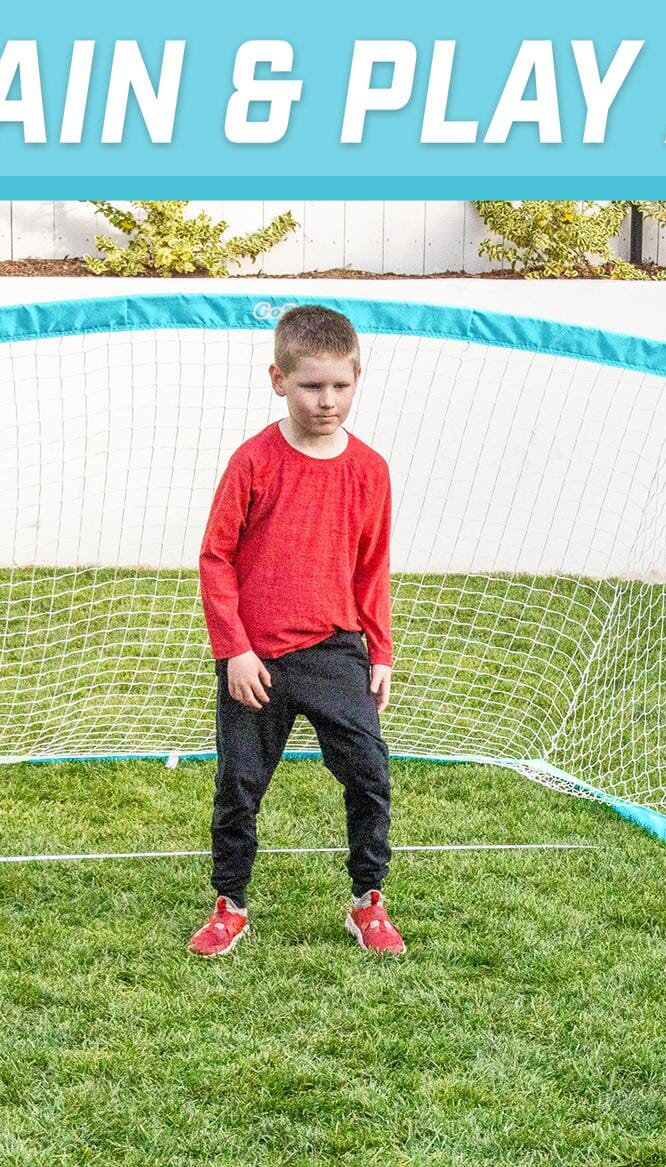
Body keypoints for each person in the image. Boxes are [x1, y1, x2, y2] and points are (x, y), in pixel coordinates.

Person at [190, 303, 404, 957]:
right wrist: (235, 650)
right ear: (279, 379)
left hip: (336, 650)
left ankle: (368, 900)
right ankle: (231, 904)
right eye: (312, 385)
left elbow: (372, 567)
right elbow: (215, 558)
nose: (327, 400)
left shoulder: (370, 470)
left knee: (370, 773)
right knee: (238, 785)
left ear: (357, 377)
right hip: (257, 659)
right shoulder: (254, 462)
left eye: (341, 385)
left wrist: (382, 649)